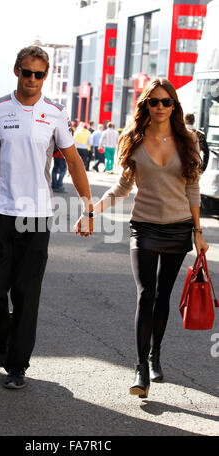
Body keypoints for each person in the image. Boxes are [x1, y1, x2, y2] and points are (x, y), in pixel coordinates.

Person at [0, 45, 93, 390]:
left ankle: (17, 366)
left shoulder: (55, 113)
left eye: (39, 74)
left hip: (38, 218)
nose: (32, 79)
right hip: (1, 212)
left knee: (27, 293)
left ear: (45, 77)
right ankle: (5, 330)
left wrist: (87, 209)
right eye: (27, 72)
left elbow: (73, 162)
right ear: (16, 71)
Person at [74, 78, 209, 399]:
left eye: (166, 102)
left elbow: (192, 187)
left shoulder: (187, 140)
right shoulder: (133, 139)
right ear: (145, 105)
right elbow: (122, 187)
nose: (160, 107)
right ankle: (141, 369)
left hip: (178, 229)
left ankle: (155, 354)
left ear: (174, 106)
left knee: (163, 297)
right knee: (145, 294)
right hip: (145, 227)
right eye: (154, 102)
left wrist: (198, 232)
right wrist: (91, 211)